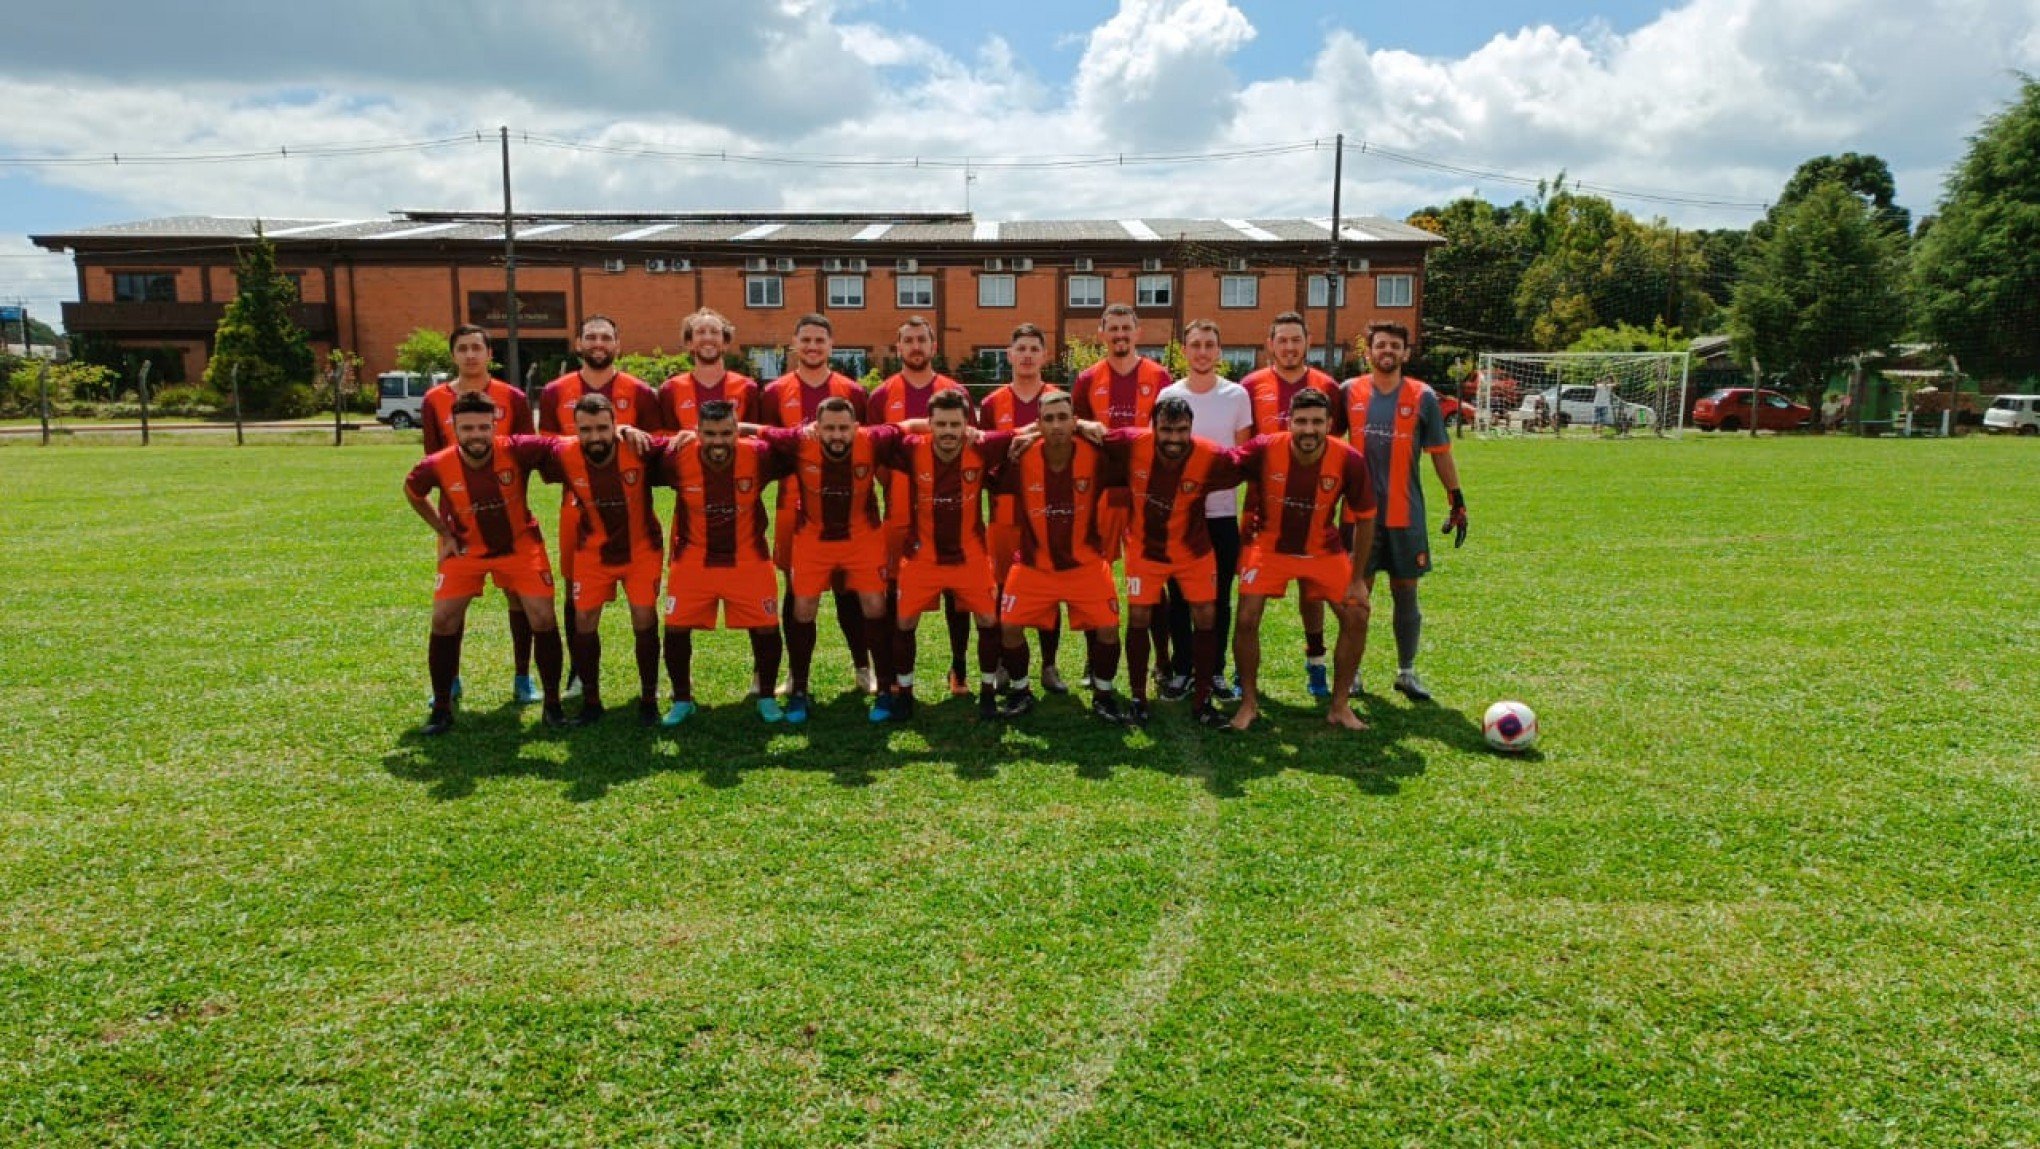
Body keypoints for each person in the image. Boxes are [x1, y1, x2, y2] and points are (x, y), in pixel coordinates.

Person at [402, 391, 567, 734]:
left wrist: (619, 433)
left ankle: (552, 705)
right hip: (465, 549)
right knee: (444, 619)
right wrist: (442, 531)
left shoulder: (516, 448)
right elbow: (413, 490)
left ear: (493, 426)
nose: (476, 434)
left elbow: (558, 446)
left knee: (542, 615)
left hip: (519, 546)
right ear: (455, 430)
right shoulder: (438, 464)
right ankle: (442, 707)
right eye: (467, 428)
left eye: (482, 426)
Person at [1228, 389, 1375, 731]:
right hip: (1268, 548)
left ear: (1329, 424)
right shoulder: (1264, 447)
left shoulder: (1348, 459)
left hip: (1322, 549)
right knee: (1247, 617)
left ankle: (1339, 706)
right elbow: (1223, 464)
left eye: (1317, 422)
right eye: (1302, 421)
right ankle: (1248, 703)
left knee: (1357, 614)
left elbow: (1367, 517)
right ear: (1289, 422)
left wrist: (1357, 578)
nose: (1309, 430)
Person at [1096, 393, 1243, 728]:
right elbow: (1093, 434)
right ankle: (1137, 697)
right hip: (1145, 549)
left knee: (1207, 615)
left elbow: (1252, 462)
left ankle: (1203, 696)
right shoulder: (1133, 442)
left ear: (1191, 428)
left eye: (1181, 431)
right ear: (1153, 427)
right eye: (1166, 430)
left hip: (1193, 550)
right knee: (1139, 615)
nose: (1174, 439)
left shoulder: (1211, 455)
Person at [1338, 321, 1466, 703]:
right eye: (1381, 345)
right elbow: (1326, 443)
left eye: (1395, 346)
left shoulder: (1422, 396)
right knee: (1357, 595)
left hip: (1405, 515)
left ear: (1406, 353)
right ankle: (1353, 671)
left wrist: (1456, 498)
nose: (1387, 351)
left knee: (1406, 591)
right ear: (1369, 352)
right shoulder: (1348, 392)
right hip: (1357, 517)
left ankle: (1407, 672)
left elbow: (1441, 454)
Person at [751, 396, 901, 724]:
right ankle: (800, 691)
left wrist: (970, 433)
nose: (836, 435)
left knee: (875, 606)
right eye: (829, 428)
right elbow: (758, 430)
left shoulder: (873, 439)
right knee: (803, 608)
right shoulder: (800, 440)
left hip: (862, 537)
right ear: (815, 428)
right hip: (813, 538)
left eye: (843, 428)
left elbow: (909, 427)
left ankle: (886, 689)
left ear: (856, 427)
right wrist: (693, 433)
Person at [644, 399, 792, 726]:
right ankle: (683, 699)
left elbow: (796, 443)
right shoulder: (677, 458)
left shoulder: (759, 455)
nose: (718, 442)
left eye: (726, 433)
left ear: (737, 431)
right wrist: (629, 430)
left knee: (767, 626)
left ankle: (766, 696)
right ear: (697, 433)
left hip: (748, 557)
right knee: (676, 627)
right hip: (694, 557)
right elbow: (643, 454)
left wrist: (757, 429)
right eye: (709, 434)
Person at [872, 389, 1015, 723]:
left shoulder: (981, 446)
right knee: (904, 622)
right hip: (923, 557)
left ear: (967, 424)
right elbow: (878, 435)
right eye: (941, 424)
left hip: (971, 556)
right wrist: (911, 424)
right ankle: (905, 695)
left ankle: (988, 693)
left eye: (955, 424)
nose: (948, 431)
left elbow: (1024, 434)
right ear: (929, 425)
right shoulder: (911, 449)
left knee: (989, 622)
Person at [538, 315, 659, 698]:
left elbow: (655, 446)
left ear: (618, 344)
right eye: (590, 336)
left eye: (606, 336)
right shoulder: (556, 391)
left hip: (630, 506)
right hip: (578, 505)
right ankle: (578, 674)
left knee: (641, 602)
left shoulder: (639, 391)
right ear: (578, 343)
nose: (598, 343)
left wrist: (625, 433)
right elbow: (548, 454)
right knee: (578, 592)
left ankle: (649, 687)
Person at [417, 324, 538, 705]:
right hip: (458, 522)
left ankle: (523, 677)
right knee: (453, 603)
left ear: (489, 354)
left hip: (510, 521)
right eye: (462, 348)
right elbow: (433, 464)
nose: (470, 355)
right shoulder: (435, 399)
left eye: (477, 348)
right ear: (453, 355)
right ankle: (449, 679)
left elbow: (524, 458)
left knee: (520, 598)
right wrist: (445, 525)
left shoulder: (512, 397)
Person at [994, 392, 1130, 724]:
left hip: (1084, 564)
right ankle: (1021, 690)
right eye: (1049, 419)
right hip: (1032, 564)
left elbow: (1133, 448)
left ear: (1074, 421)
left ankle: (1103, 693)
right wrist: (1016, 441)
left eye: (1063, 418)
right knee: (1009, 626)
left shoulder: (1096, 454)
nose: (1056, 425)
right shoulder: (1021, 456)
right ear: (1038, 424)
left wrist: (1090, 426)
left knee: (1109, 628)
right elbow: (987, 459)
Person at [759, 313, 875, 696]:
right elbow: (766, 445)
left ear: (831, 346)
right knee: (796, 593)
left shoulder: (852, 391)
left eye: (819, 340)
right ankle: (795, 675)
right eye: (805, 340)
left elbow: (866, 445)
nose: (812, 346)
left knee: (849, 592)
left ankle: (863, 667)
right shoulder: (775, 391)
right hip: (794, 507)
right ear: (795, 344)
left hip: (847, 511)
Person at [541, 393, 667, 727]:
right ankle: (592, 701)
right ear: (575, 430)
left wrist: (630, 429)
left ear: (614, 425)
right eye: (586, 429)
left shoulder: (638, 447)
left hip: (641, 550)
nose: (594, 436)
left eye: (602, 427)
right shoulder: (563, 454)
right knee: (583, 622)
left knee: (643, 618)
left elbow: (677, 446)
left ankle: (649, 699)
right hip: (592, 552)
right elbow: (525, 448)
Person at [868, 316, 974, 699]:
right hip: (900, 514)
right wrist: (895, 487)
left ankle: (958, 670)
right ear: (899, 348)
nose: (915, 347)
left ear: (933, 347)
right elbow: (875, 454)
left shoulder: (955, 391)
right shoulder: (881, 395)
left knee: (956, 596)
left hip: (952, 513)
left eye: (921, 340)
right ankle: (898, 677)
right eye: (908, 340)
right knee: (898, 596)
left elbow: (970, 447)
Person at [1239, 311, 1342, 700]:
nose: (1289, 347)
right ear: (1270, 344)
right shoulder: (1250, 386)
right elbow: (1246, 448)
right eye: (1281, 340)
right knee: (1251, 599)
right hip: (1262, 511)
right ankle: (1242, 674)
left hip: (1315, 510)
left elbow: (1337, 446)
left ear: (1308, 342)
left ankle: (1316, 663)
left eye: (1295, 340)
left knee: (1312, 592)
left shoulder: (1327, 387)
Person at [1153, 320, 1254, 709]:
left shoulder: (1236, 395)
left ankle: (1214, 670)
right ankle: (1182, 668)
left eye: (1209, 345)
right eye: (1195, 345)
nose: (1202, 352)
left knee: (1219, 596)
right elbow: (1162, 453)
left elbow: (1240, 461)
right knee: (1179, 596)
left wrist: (1209, 486)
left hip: (1221, 514)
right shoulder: (1168, 394)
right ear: (1184, 350)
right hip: (1180, 517)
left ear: (1219, 351)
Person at [977, 323, 1072, 695]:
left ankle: (1049, 665)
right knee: (1003, 589)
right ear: (1010, 355)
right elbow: (982, 461)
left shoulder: (1057, 398)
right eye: (1022, 349)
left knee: (1050, 587)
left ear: (1045, 355)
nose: (1029, 355)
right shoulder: (991, 404)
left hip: (1050, 510)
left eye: (1035, 348)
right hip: (1005, 510)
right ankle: (1004, 661)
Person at [1072, 303, 1172, 569]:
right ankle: (1102, 610)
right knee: (1097, 562)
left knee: (1150, 563)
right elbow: (1072, 422)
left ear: (1138, 333)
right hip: (1103, 486)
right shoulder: (1088, 378)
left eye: (1126, 328)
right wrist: (1083, 424)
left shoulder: (1160, 377)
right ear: (1101, 334)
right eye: (1113, 328)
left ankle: (1151, 610)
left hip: (1147, 483)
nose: (1120, 334)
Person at [657, 307, 759, 431]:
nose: (708, 337)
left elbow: (757, 439)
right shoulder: (670, 390)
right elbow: (665, 439)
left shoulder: (747, 388)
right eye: (700, 332)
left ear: (725, 343)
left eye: (715, 332)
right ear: (689, 343)